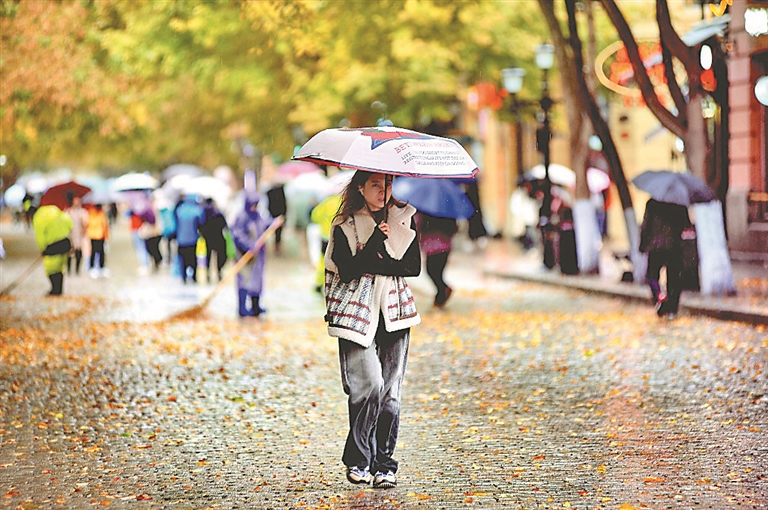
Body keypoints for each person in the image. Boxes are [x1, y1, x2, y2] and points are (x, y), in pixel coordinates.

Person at [324, 171, 420, 489]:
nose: (383, 191)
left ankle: (384, 464)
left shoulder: (404, 219)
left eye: (388, 184)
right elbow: (347, 270)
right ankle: (358, 459)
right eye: (375, 185)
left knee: (390, 393)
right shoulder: (344, 225)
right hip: (356, 315)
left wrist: (372, 261)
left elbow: (412, 267)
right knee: (368, 386)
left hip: (394, 313)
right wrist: (376, 243)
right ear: (361, 187)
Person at [639, 198, 692, 320]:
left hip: (655, 246)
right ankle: (672, 309)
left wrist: (642, 245)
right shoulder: (679, 203)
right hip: (674, 245)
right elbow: (686, 224)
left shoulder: (652, 203)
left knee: (652, 275)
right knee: (674, 278)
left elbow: (646, 225)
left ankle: (659, 295)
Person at [231, 193, 274, 317]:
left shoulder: (257, 216)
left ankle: (256, 306)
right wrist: (249, 244)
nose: (254, 207)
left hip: (257, 257)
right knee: (244, 281)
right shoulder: (241, 216)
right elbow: (237, 233)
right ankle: (242, 308)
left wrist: (273, 223)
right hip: (244, 256)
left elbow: (263, 225)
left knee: (257, 281)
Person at [414, 212, 458, 307]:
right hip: (445, 247)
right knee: (437, 273)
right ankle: (441, 295)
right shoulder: (446, 215)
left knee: (432, 271)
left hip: (433, 249)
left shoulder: (424, 215)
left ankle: (442, 292)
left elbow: (416, 226)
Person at [32, 205, 73, 296]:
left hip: (52, 246)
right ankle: (59, 289)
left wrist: (43, 248)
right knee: (60, 268)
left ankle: (55, 289)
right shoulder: (55, 211)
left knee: (51, 269)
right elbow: (69, 222)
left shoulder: (39, 218)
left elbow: (40, 236)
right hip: (65, 242)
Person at [174, 194, 204, 284]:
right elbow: (201, 222)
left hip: (181, 239)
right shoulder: (197, 211)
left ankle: (183, 277)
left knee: (182, 259)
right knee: (193, 259)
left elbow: (175, 224)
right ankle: (194, 277)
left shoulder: (179, 210)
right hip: (192, 239)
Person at [200, 198, 229, 282]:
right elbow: (225, 227)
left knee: (208, 256)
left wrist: (204, 235)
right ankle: (219, 272)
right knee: (220, 256)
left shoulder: (204, 214)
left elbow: (200, 226)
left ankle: (208, 274)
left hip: (208, 238)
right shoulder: (218, 214)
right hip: (219, 237)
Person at [66, 195, 89, 275]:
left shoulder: (83, 212)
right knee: (69, 253)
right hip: (70, 235)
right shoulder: (68, 211)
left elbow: (86, 224)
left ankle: (77, 269)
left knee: (79, 253)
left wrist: (83, 225)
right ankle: (69, 269)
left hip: (79, 235)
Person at [85, 203, 109, 278]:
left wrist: (106, 235)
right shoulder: (91, 213)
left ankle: (101, 267)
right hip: (93, 235)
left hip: (101, 235)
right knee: (93, 251)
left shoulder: (102, 213)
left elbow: (105, 225)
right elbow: (90, 223)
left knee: (102, 252)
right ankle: (91, 267)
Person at [266, 184, 287, 254]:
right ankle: (275, 247)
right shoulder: (270, 193)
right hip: (273, 216)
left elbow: (284, 205)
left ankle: (277, 247)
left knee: (278, 233)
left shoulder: (280, 193)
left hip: (279, 216)